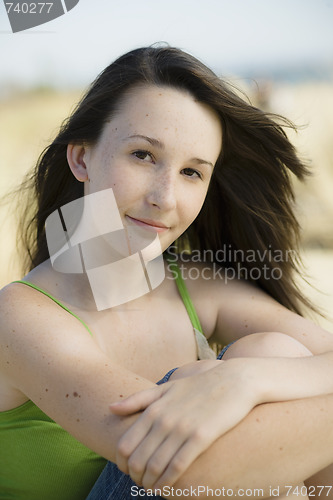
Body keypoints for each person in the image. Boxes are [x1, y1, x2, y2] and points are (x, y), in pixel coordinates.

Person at [1, 45, 333, 500]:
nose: (165, 197)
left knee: (274, 353)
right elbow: (190, 473)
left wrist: (247, 379)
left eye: (192, 172)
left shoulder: (194, 284)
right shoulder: (21, 317)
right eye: (142, 155)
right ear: (80, 158)